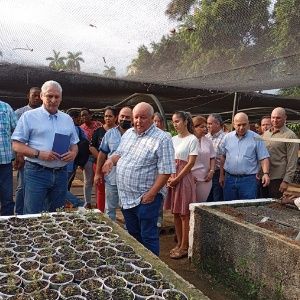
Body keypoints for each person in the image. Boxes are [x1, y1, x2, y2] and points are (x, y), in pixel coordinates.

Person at [102, 102, 175, 256]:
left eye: (143, 117)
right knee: (134, 234)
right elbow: (119, 153)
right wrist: (110, 161)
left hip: (146, 198)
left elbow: (166, 171)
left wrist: (152, 194)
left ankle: (152, 271)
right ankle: (138, 265)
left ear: (151, 118)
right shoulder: (128, 134)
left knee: (148, 236)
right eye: (136, 117)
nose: (138, 121)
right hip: (126, 197)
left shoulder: (162, 139)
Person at [12, 80, 78, 214]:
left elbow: (74, 144)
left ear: (61, 98)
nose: (53, 100)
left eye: (57, 96)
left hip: (60, 173)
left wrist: (73, 154)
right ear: (42, 96)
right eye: (49, 96)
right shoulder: (29, 116)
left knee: (57, 214)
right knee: (33, 214)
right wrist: (38, 153)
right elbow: (16, 144)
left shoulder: (67, 119)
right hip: (36, 172)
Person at [165, 111, 198, 259]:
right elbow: (169, 159)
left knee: (184, 213)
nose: (175, 124)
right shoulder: (172, 139)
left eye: (177, 121)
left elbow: (191, 163)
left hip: (183, 179)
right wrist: (170, 177)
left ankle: (185, 246)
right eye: (173, 121)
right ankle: (179, 243)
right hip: (173, 177)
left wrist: (177, 178)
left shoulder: (192, 139)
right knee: (176, 212)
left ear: (185, 121)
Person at [219, 112, 270, 201]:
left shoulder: (257, 138)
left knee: (247, 208)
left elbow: (264, 157)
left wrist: (265, 174)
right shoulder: (227, 138)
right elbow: (223, 157)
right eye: (239, 125)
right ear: (234, 124)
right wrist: (221, 175)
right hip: (229, 179)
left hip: (249, 180)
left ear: (248, 123)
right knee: (228, 208)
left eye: (244, 124)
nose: (241, 127)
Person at [94, 106, 133, 220]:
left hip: (129, 180)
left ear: (132, 119)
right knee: (110, 209)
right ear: (118, 118)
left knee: (127, 209)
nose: (124, 119)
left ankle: (128, 233)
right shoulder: (110, 133)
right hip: (112, 177)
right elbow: (102, 154)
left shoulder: (137, 135)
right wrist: (97, 173)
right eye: (122, 116)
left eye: (127, 117)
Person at [14, 87, 42, 214]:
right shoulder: (20, 113)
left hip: (42, 157)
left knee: (38, 187)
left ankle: (33, 213)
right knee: (22, 186)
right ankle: (19, 213)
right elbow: (15, 137)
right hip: (24, 156)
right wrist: (18, 155)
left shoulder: (45, 114)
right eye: (34, 95)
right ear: (28, 96)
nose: (36, 98)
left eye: (38, 95)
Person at [263, 107, 298, 198]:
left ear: (285, 118)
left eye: (278, 118)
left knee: (275, 206)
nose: (275, 120)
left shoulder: (290, 136)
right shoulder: (266, 134)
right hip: (264, 176)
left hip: (278, 179)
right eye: (273, 117)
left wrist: (286, 181)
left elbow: (292, 160)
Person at [90, 107, 118, 212]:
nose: (107, 118)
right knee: (101, 190)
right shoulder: (98, 131)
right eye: (106, 116)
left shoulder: (119, 131)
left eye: (110, 116)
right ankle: (101, 211)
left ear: (115, 118)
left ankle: (112, 210)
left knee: (113, 190)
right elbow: (92, 146)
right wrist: (102, 159)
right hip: (99, 165)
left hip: (115, 167)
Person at [80, 108, 102, 208]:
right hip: (87, 157)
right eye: (82, 115)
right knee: (88, 180)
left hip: (98, 156)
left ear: (90, 115)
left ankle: (99, 202)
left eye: (85, 115)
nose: (84, 117)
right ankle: (87, 202)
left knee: (99, 180)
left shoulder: (98, 125)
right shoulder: (81, 128)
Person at [153, 111, 171, 227]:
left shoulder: (167, 135)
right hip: (151, 170)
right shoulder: (149, 135)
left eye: (159, 121)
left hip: (161, 169)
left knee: (159, 193)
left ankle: (159, 217)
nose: (157, 123)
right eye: (155, 121)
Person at [191, 116, 216, 202]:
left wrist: (212, 171)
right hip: (190, 178)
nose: (205, 129)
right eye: (202, 127)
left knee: (200, 205)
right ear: (194, 127)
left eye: (206, 126)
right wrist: (188, 175)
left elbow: (212, 157)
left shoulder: (208, 141)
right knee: (188, 206)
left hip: (206, 179)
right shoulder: (189, 140)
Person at [65, 110, 85, 208]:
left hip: (66, 164)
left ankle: (78, 203)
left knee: (60, 188)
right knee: (64, 187)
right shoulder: (79, 129)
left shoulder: (68, 128)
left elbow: (61, 147)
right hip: (72, 163)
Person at [0, 100, 17, 215]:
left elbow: (17, 131)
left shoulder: (6, 107)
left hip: (4, 162)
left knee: (7, 199)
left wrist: (18, 155)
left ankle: (7, 228)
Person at [206, 113, 226, 202]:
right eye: (207, 123)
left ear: (218, 124)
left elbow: (225, 157)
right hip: (206, 173)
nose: (208, 126)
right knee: (206, 199)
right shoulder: (206, 137)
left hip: (218, 173)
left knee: (217, 199)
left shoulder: (225, 138)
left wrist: (222, 175)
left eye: (210, 123)